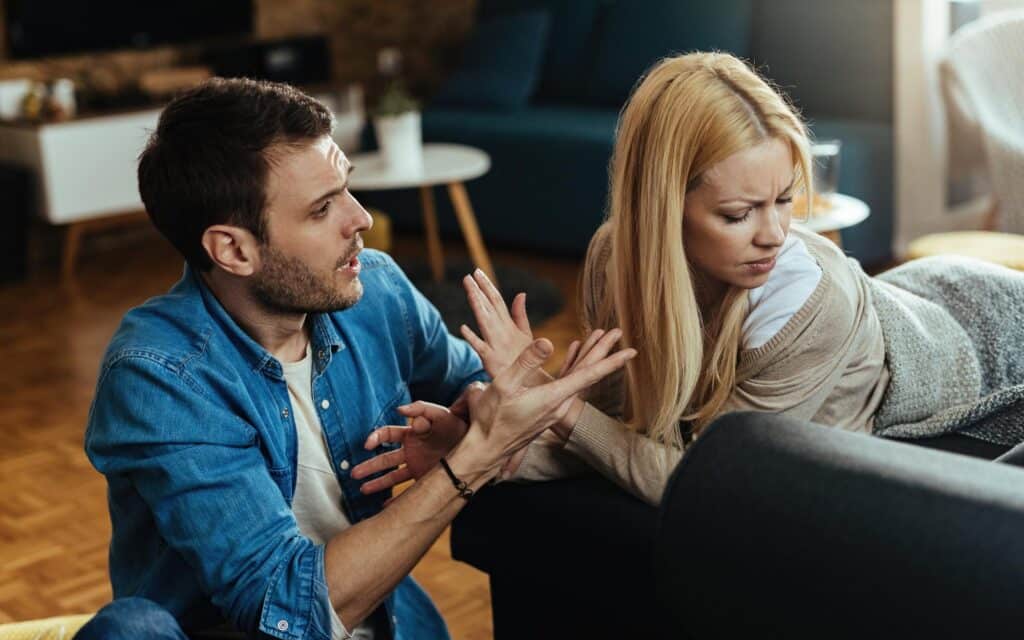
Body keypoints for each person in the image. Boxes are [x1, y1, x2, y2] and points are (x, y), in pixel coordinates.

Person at [68, 77, 635, 640]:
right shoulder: (159, 377)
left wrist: (489, 409)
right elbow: (287, 615)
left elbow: (476, 394)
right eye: (322, 208)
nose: (361, 219)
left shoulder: (377, 289)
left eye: (347, 189)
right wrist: (472, 458)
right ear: (232, 250)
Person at [359, 52, 1024, 508]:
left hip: (983, 337)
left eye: (786, 201)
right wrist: (474, 455)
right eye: (738, 214)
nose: (774, 234)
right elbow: (624, 431)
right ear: (663, 209)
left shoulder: (807, 306)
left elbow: (706, 482)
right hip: (919, 295)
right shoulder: (614, 259)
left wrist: (557, 402)